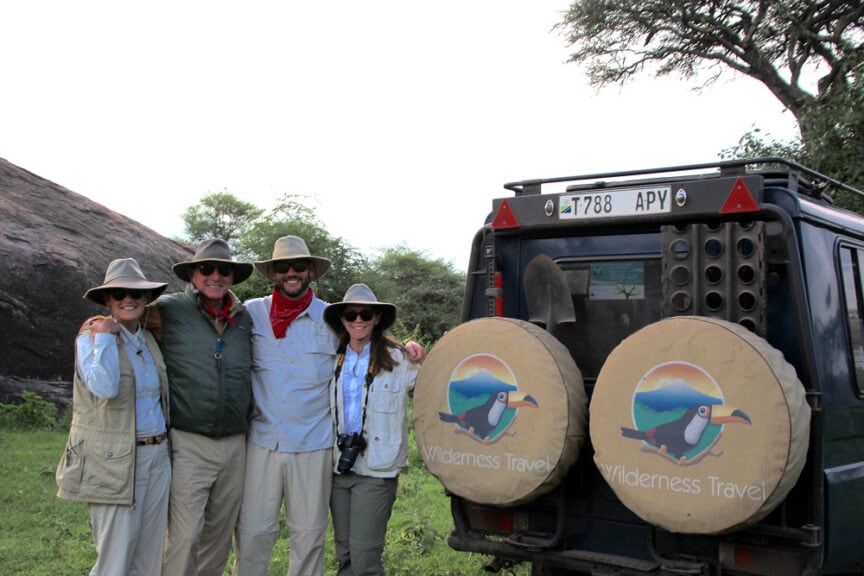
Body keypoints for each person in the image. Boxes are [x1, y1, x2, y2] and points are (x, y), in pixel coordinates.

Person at [232, 236, 425, 576]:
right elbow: (208, 320)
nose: (291, 272)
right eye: (283, 267)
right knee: (253, 536)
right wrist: (106, 327)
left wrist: (408, 348)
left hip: (314, 446)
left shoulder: (330, 319)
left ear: (311, 271)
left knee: (309, 539)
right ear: (273, 273)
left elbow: (365, 340)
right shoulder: (251, 313)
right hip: (262, 443)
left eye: (299, 266)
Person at [56, 257, 171, 576]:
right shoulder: (90, 339)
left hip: (158, 455)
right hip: (115, 460)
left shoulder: (148, 340)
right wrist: (105, 336)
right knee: (114, 559)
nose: (128, 299)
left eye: (136, 293)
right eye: (119, 293)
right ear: (107, 300)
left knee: (149, 558)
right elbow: (103, 387)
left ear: (147, 299)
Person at [150, 239, 255, 576]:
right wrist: (96, 322)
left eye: (223, 270)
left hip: (235, 443)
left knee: (219, 535)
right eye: (206, 269)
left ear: (232, 276)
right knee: (185, 534)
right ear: (193, 274)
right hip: (188, 440)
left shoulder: (244, 318)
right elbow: (127, 314)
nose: (215, 276)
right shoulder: (168, 309)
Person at [323, 284, 420, 576]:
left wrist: (421, 353)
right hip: (339, 469)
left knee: (365, 558)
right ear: (342, 319)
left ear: (377, 317)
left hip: (377, 471)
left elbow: (433, 392)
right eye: (350, 314)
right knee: (345, 552)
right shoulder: (330, 357)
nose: (358, 320)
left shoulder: (400, 359)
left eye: (365, 313)